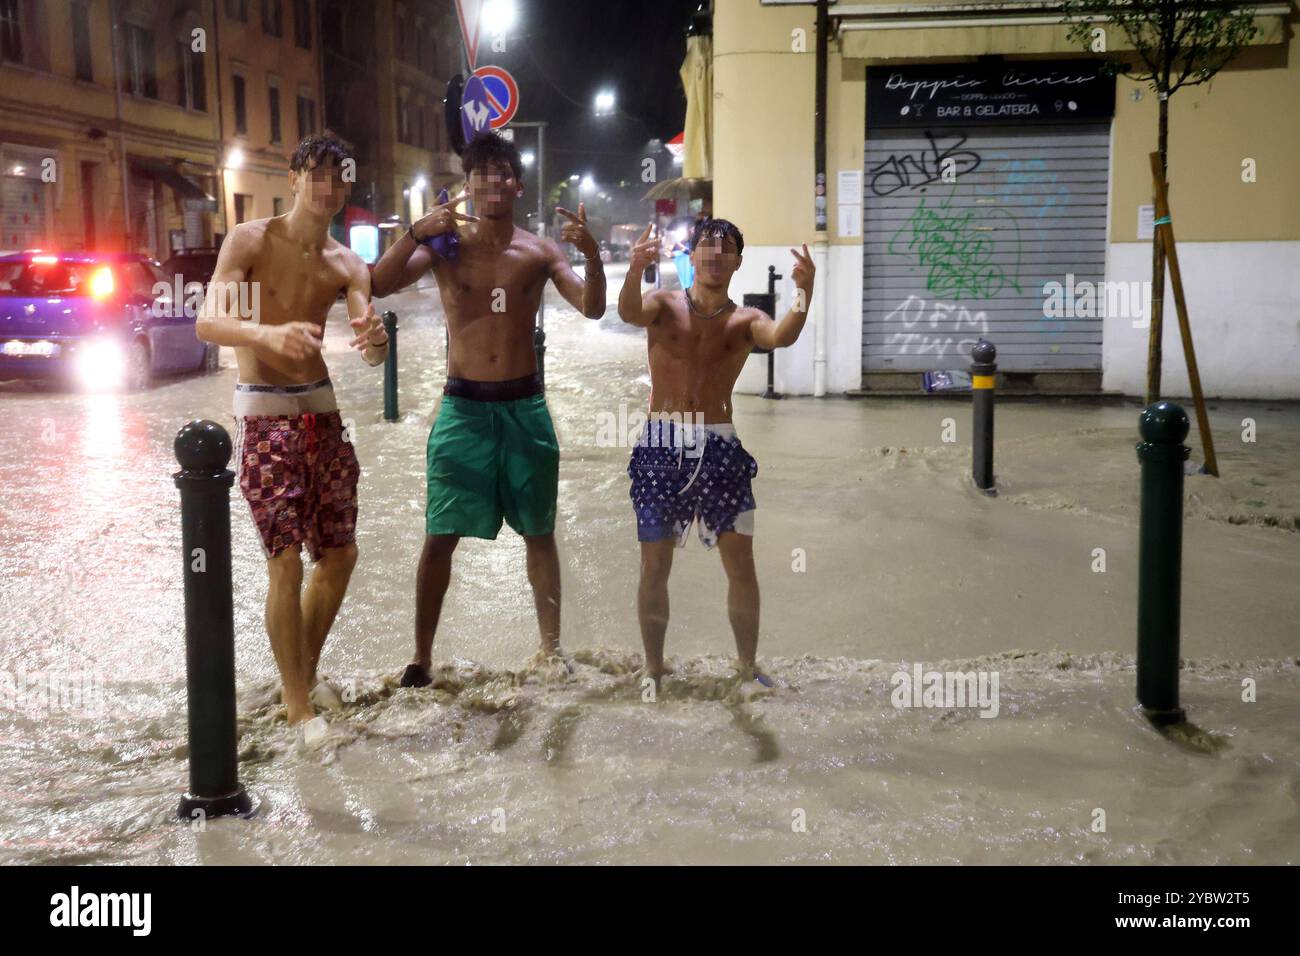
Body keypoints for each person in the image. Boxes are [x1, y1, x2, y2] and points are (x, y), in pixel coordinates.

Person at [370, 131, 607, 687]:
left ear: (517, 185)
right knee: (439, 535)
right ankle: (421, 659)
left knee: (539, 532)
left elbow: (592, 308)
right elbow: (379, 283)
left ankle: (550, 651)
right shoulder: (445, 246)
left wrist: (593, 256)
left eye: (502, 173)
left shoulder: (539, 251)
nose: (492, 182)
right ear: (468, 185)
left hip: (525, 407)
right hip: (463, 410)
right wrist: (414, 232)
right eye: (481, 173)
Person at [196, 135, 389, 726]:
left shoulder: (348, 263)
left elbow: (371, 351)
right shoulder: (250, 239)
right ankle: (301, 711)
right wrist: (265, 334)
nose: (328, 187)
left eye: (339, 177)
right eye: (317, 175)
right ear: (294, 178)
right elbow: (209, 322)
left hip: (323, 414)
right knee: (285, 561)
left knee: (341, 554)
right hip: (263, 414)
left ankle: (297, 680)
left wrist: (376, 341)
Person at [616, 218, 815, 688]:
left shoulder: (745, 320)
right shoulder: (663, 305)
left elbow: (781, 336)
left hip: (720, 446)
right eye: (707, 244)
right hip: (662, 443)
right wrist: (634, 269)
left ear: (737, 262)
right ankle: (654, 668)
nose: (715, 254)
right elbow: (628, 312)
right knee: (654, 565)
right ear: (693, 255)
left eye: (726, 248)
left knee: (741, 564)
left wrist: (803, 293)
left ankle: (747, 667)